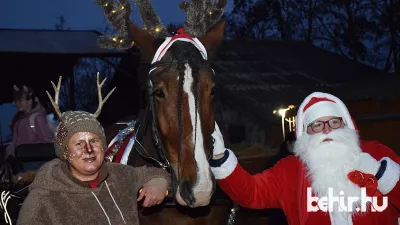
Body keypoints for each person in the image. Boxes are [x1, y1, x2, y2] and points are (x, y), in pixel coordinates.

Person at [210, 92, 400, 225]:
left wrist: (384, 175)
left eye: (334, 121)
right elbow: (251, 193)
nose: (327, 129)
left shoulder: (377, 152)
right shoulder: (291, 170)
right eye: (316, 124)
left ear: (347, 124)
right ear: (304, 133)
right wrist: (220, 158)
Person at [17, 76, 171, 225]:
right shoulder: (42, 199)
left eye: (94, 141)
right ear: (64, 152)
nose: (88, 149)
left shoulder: (120, 176)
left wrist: (158, 183)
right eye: (78, 143)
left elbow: (156, 173)